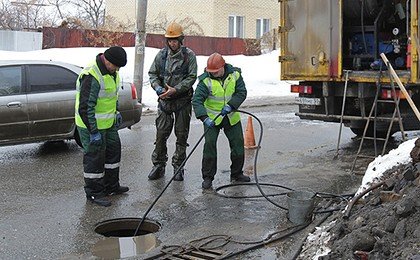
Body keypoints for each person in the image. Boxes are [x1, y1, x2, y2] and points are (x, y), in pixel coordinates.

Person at [75, 46, 129, 207]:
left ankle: (111, 187)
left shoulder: (113, 72)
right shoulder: (91, 75)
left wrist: (116, 111)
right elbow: (85, 107)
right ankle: (94, 193)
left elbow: (112, 96)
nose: (117, 69)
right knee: (95, 159)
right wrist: (93, 131)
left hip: (109, 123)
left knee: (113, 152)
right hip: (91, 126)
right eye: (116, 66)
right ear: (107, 60)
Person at [148, 22, 198, 181]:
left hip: (182, 101)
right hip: (164, 102)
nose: (172, 43)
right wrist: (158, 88)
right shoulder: (161, 56)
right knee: (161, 134)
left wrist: (176, 89)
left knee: (181, 135)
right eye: (170, 40)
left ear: (181, 40)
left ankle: (178, 166)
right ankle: (158, 164)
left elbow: (191, 77)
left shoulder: (189, 56)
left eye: (175, 40)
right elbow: (153, 74)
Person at [192, 52, 250, 189]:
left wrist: (231, 105)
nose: (213, 74)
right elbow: (197, 101)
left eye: (216, 71)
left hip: (231, 117)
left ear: (223, 67)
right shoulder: (205, 81)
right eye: (210, 71)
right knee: (210, 145)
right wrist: (204, 118)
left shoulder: (235, 75)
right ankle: (208, 177)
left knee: (237, 144)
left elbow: (241, 92)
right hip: (212, 119)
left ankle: (237, 174)